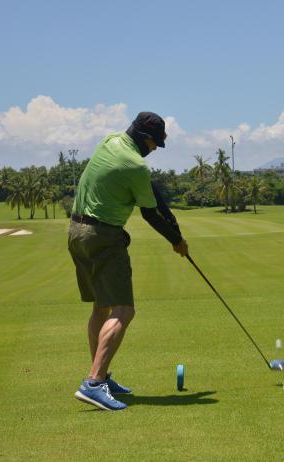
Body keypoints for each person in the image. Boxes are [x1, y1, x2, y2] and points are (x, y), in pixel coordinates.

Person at [68, 111, 188, 411]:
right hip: (103, 238)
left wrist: (173, 226)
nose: (153, 151)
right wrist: (176, 240)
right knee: (124, 310)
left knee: (101, 307)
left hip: (76, 232)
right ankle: (94, 383)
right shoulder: (135, 166)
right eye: (155, 145)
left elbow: (154, 194)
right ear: (146, 139)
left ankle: (102, 377)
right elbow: (150, 212)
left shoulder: (110, 140)